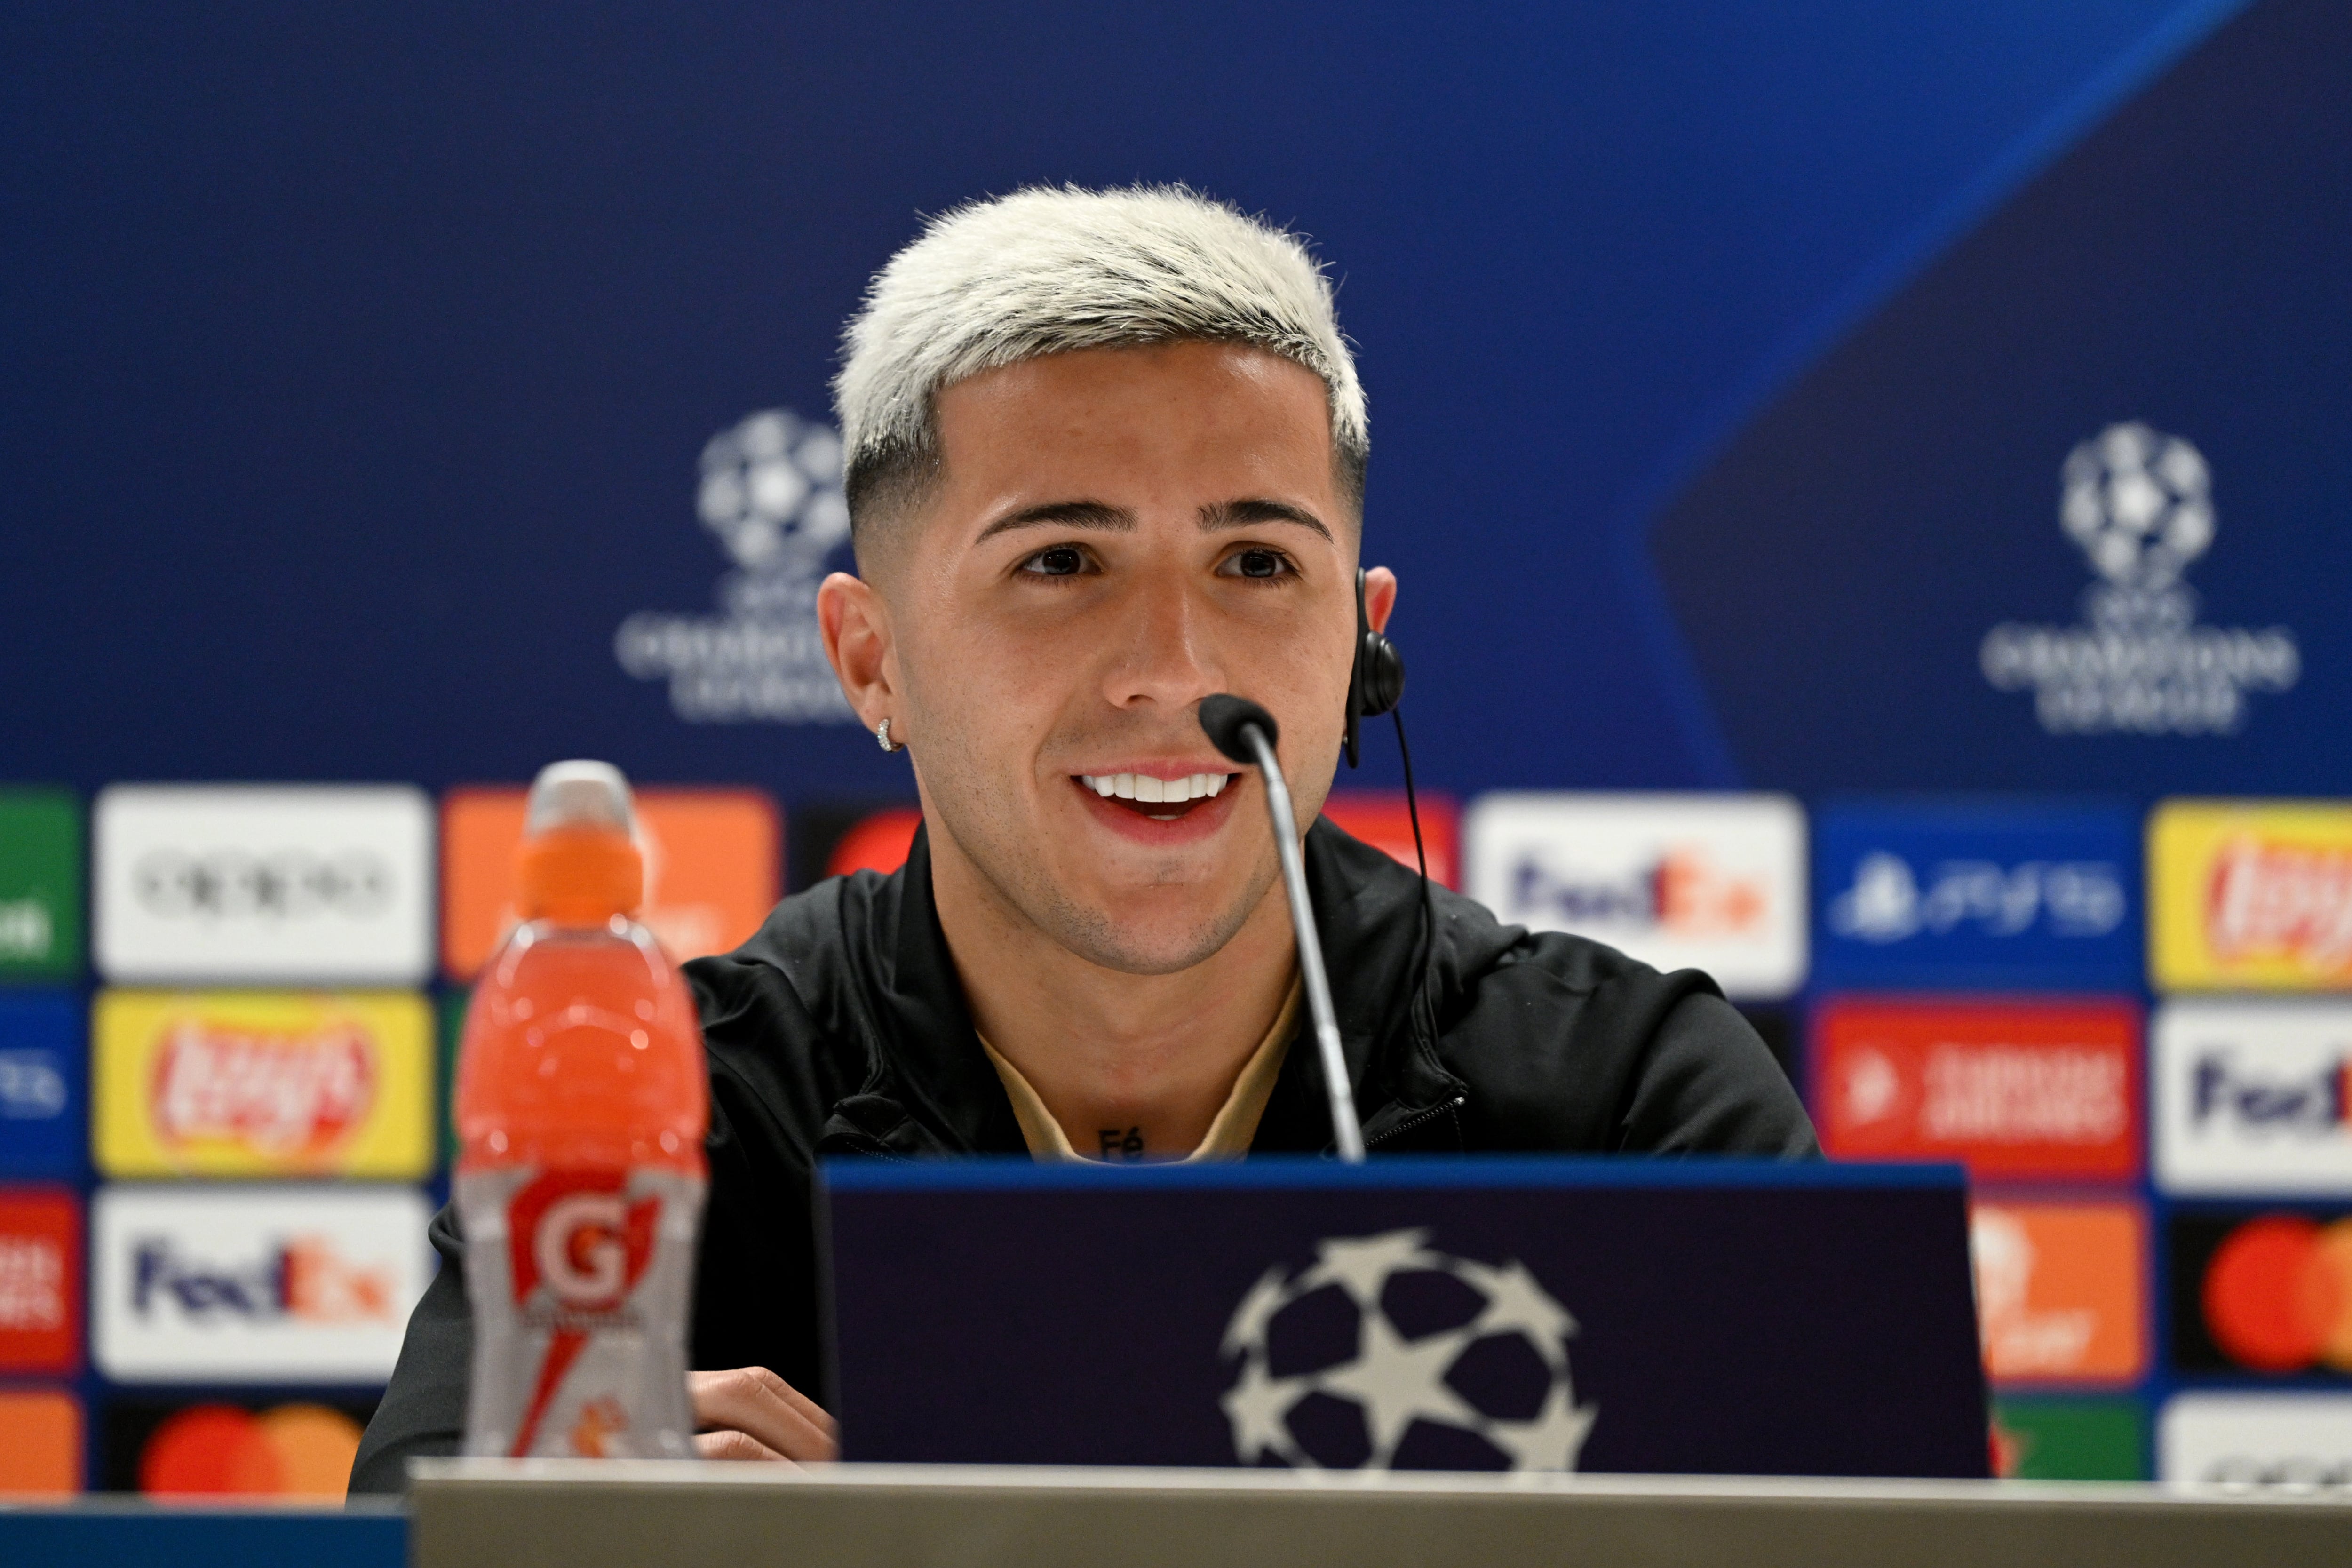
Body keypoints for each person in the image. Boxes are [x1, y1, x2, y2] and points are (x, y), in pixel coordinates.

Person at [350, 185, 1815, 1491]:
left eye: (1256, 562)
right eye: (1063, 561)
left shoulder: (1631, 1106)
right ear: (871, 661)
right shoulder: (685, 1112)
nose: (1174, 669)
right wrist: (576, 1528)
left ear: (1362, 645)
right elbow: (417, 1524)